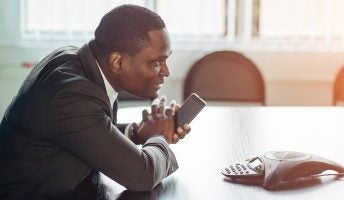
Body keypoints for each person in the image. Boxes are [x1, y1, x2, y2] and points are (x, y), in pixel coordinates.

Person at [0, 4, 190, 199]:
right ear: (117, 62)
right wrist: (160, 136)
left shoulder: (77, 61)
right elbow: (143, 175)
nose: (166, 71)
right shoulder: (71, 95)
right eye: (156, 62)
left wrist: (137, 132)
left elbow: (88, 128)